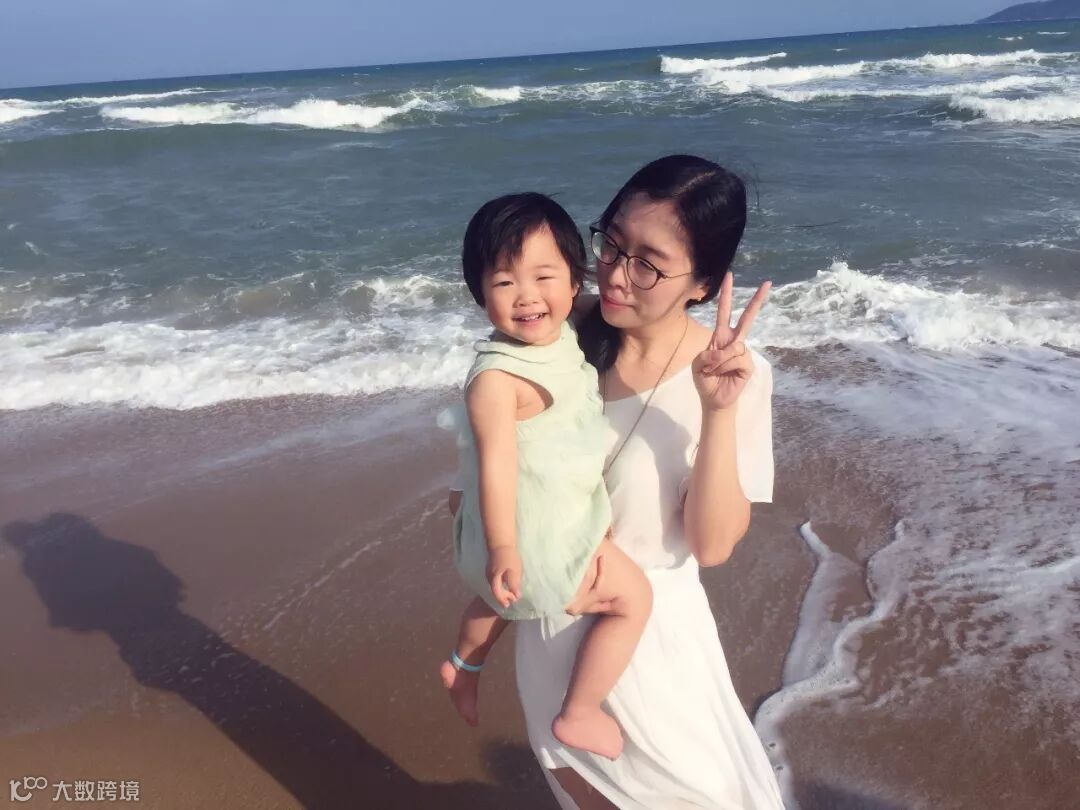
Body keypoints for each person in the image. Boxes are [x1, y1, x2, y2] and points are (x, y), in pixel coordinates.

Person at [511, 155, 784, 809]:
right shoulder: (552, 338)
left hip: (656, 648)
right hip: (555, 638)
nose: (615, 273)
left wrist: (717, 411)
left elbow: (712, 545)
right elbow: (477, 483)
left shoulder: (737, 376)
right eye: (611, 243)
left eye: (648, 265)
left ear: (703, 284)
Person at [439, 192, 653, 760]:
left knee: (497, 601)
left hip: (531, 515)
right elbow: (496, 463)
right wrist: (504, 547)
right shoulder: (497, 380)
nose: (527, 296)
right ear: (479, 293)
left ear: (575, 279)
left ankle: (463, 666)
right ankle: (580, 711)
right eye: (504, 282)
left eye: (543, 276)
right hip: (529, 530)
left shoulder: (561, 332)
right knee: (634, 598)